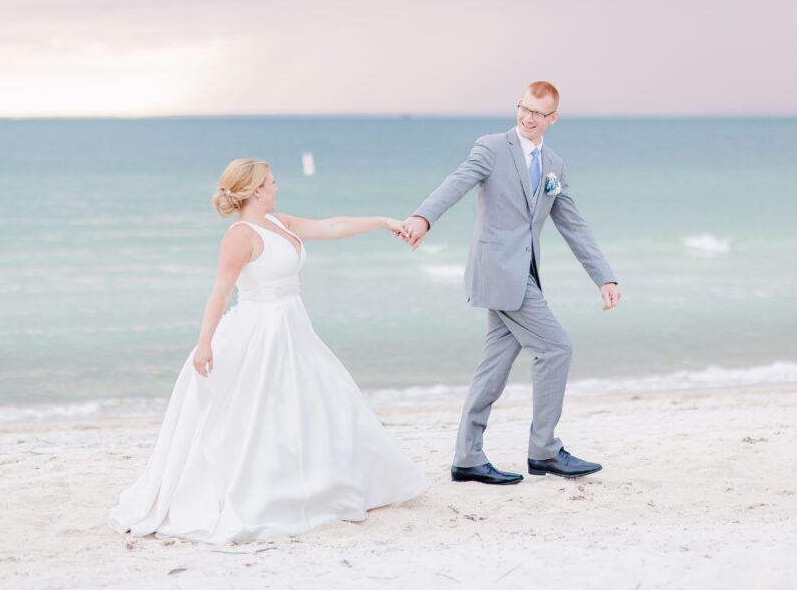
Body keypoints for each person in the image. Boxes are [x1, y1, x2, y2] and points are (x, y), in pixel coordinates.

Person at [109, 158, 429, 543]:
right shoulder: (240, 235)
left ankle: (327, 484)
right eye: (273, 182)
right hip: (258, 331)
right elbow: (221, 291)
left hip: (293, 327)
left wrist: (383, 221)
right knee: (259, 413)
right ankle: (268, 494)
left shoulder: (278, 223)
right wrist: (205, 342)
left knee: (325, 400)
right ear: (257, 190)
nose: (277, 187)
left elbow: (330, 226)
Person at [400, 81, 621, 484]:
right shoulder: (491, 147)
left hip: (525, 274)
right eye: (523, 108)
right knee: (556, 348)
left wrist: (603, 276)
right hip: (499, 271)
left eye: (538, 113)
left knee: (494, 367)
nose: (527, 117)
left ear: (553, 118)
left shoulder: (553, 163)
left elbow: (572, 224)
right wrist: (423, 217)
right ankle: (545, 450)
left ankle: (467, 457)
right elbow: (458, 181)